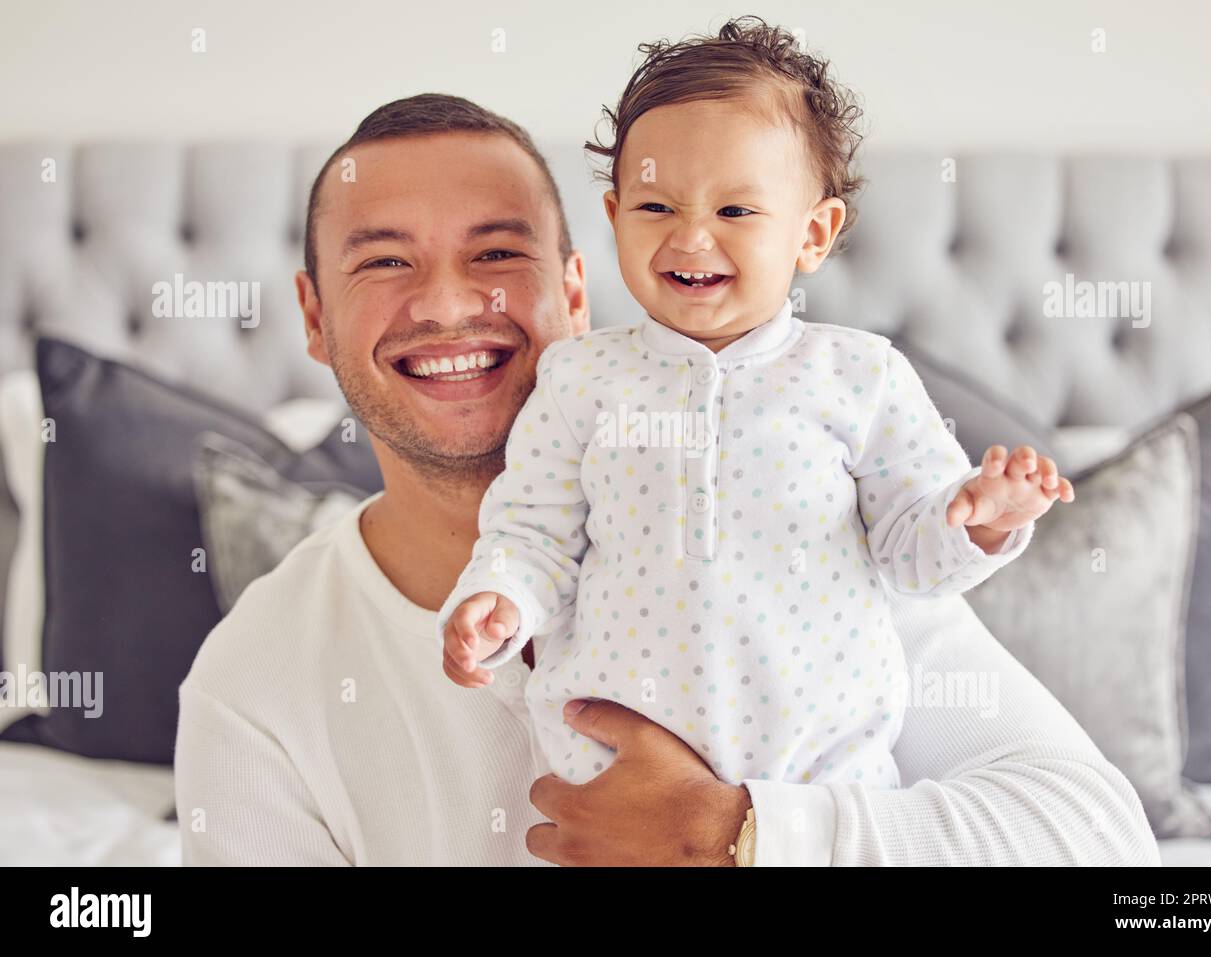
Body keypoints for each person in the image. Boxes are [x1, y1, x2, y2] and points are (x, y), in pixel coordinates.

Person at [174, 90, 1159, 866]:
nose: (448, 304)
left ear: (574, 288)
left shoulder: (805, 519)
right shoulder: (258, 676)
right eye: (385, 262)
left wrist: (742, 838)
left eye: (498, 252)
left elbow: (1100, 849)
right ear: (311, 315)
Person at [436, 17, 1075, 791]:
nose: (692, 239)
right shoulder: (579, 378)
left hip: (821, 781)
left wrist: (979, 517)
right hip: (609, 778)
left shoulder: (858, 375)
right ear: (612, 219)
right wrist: (497, 597)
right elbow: (534, 532)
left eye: (735, 212)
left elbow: (912, 558)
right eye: (655, 208)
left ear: (813, 233)